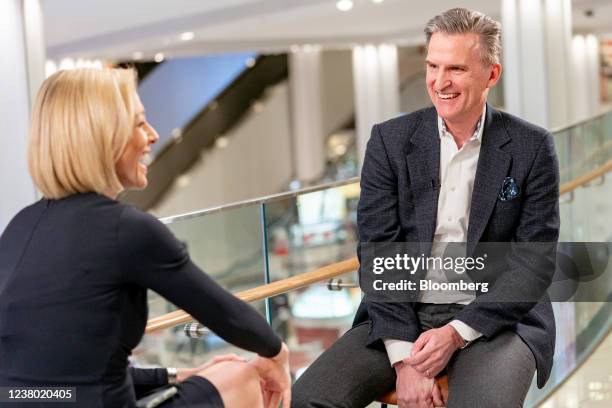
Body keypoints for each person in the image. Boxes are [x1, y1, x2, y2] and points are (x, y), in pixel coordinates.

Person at [293, 8, 559, 408]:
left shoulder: (531, 146)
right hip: (400, 313)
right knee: (308, 399)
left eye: (456, 68)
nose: (439, 82)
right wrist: (404, 359)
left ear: (491, 74)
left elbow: (532, 265)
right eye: (432, 66)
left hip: (495, 318)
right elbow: (377, 252)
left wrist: (455, 333)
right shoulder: (390, 141)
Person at [0, 67, 291, 408]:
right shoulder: (126, 228)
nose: (153, 135)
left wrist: (176, 375)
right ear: (102, 136)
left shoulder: (18, 227)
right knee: (244, 375)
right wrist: (277, 352)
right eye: (139, 123)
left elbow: (69, 380)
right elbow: (227, 315)